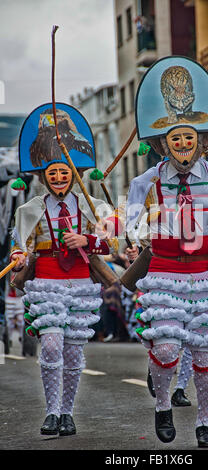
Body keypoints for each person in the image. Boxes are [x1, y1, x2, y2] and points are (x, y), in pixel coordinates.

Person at [125, 56, 208, 447]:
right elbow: (127, 225)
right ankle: (163, 405)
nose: (183, 144)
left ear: (201, 141)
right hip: (164, 271)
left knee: (205, 351)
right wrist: (132, 243)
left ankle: (204, 422)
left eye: (189, 138)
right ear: (163, 143)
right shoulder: (144, 182)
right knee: (165, 347)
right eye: (175, 138)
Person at [10, 103, 121, 436]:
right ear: (43, 176)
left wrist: (86, 238)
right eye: (52, 173)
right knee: (53, 345)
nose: (59, 177)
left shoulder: (91, 204)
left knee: (73, 352)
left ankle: (68, 412)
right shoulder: (29, 209)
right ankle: (52, 411)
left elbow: (112, 240)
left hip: (80, 283)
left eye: (64, 172)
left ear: (74, 173)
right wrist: (19, 256)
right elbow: (19, 244)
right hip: (46, 281)